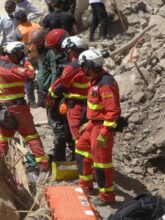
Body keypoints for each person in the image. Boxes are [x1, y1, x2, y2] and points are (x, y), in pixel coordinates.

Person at [0, 41, 49, 171]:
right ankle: (43, 166)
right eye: (21, 54)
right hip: (17, 109)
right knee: (31, 136)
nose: (22, 56)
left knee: (4, 137)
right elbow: (30, 75)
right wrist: (27, 62)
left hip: (2, 109)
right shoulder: (12, 69)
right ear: (14, 53)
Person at [75, 49, 121, 204]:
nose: (82, 69)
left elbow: (113, 110)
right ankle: (86, 184)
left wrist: (105, 131)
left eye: (83, 66)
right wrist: (88, 121)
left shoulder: (105, 84)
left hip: (101, 128)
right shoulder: (95, 81)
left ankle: (107, 196)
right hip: (92, 125)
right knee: (81, 149)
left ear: (89, 66)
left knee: (102, 162)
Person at [45, 36, 89, 149]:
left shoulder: (71, 67)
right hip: (92, 105)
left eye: (66, 51)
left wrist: (50, 97)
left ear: (71, 50)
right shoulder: (91, 62)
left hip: (76, 107)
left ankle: (83, 163)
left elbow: (60, 85)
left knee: (79, 138)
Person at [43, 29, 74, 161]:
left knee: (63, 131)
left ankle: (63, 159)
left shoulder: (69, 59)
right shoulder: (54, 55)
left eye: (54, 48)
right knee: (65, 130)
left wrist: (52, 97)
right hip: (59, 97)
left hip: (65, 98)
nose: (53, 51)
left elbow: (58, 81)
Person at [15, 9, 41, 108]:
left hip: (26, 58)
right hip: (38, 55)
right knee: (41, 76)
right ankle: (42, 98)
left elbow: (16, 45)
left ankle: (32, 101)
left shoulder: (18, 30)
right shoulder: (36, 25)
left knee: (28, 79)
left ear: (18, 19)